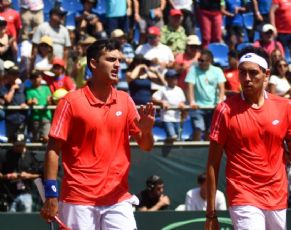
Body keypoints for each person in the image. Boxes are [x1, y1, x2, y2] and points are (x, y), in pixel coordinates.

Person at [40, 39, 155, 229]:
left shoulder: (125, 100)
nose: (117, 64)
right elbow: (53, 150)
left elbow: (146, 146)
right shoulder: (70, 102)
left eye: (119, 60)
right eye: (110, 59)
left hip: (118, 198)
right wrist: (51, 194)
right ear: (93, 64)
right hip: (78, 199)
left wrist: (147, 130)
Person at [205, 47, 291, 230]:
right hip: (243, 196)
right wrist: (211, 213)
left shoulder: (285, 107)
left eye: (253, 73)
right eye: (242, 73)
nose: (246, 79)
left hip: (277, 197)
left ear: (266, 75)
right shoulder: (224, 110)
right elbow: (212, 164)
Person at [185, 49, 226, 141]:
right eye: (199, 60)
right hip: (197, 107)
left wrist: (220, 101)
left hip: (212, 107)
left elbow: (221, 87)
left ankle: (207, 153)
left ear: (209, 61)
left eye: (202, 60)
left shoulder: (217, 70)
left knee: (210, 131)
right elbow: (190, 86)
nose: (200, 62)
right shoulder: (193, 69)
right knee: (198, 129)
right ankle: (196, 152)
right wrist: (192, 101)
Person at [0, 133, 43, 212]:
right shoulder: (5, 155)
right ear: (13, 144)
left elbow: (40, 174)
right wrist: (7, 176)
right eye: (17, 145)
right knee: (10, 217)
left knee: (26, 214)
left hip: (26, 192)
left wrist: (28, 175)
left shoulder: (30, 156)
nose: (19, 147)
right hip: (9, 193)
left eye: (21, 145)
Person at [152, 69, 186, 141]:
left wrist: (182, 105)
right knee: (172, 136)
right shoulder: (163, 89)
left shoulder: (179, 90)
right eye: (172, 77)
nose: (175, 79)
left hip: (177, 118)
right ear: (167, 79)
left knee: (177, 139)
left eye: (176, 77)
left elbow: (182, 102)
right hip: (167, 118)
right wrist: (162, 102)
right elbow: (153, 99)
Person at [0, 61, 27, 140]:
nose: (14, 76)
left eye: (16, 74)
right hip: (11, 118)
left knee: (21, 141)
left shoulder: (22, 87)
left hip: (22, 118)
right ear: (8, 75)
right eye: (12, 74)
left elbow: (28, 99)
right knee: (11, 141)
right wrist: (12, 89)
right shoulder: (4, 88)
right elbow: (8, 100)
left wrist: (25, 104)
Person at [26, 70, 53, 143]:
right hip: (35, 118)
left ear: (41, 78)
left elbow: (50, 102)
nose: (35, 79)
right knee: (36, 139)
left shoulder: (46, 88)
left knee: (47, 138)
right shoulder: (29, 90)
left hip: (46, 117)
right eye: (33, 77)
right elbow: (28, 101)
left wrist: (49, 101)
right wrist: (32, 102)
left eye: (37, 77)